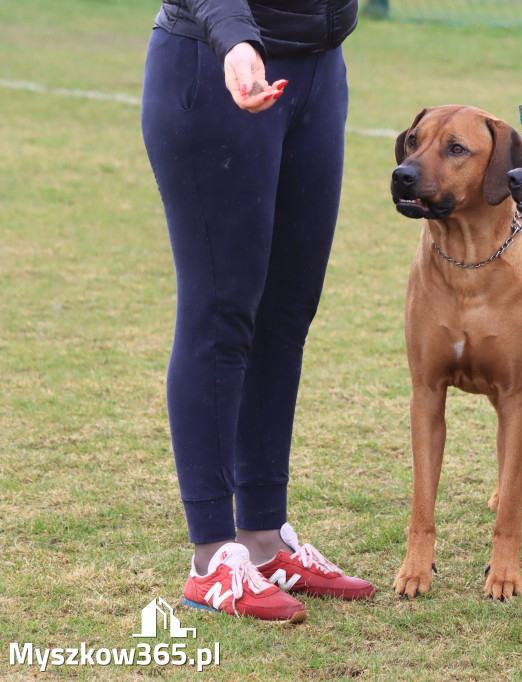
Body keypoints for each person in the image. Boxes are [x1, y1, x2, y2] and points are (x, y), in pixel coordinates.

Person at [141, 0, 374, 623]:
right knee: (221, 314)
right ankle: (212, 557)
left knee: (286, 315)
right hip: (219, 63)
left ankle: (265, 543)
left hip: (319, 70)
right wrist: (236, 39)